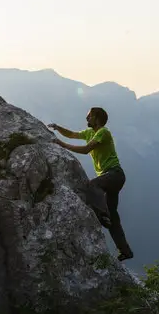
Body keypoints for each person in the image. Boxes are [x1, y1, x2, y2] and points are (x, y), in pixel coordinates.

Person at [48, 107, 134, 262]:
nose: (86, 119)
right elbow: (73, 134)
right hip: (111, 177)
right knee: (114, 217)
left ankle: (102, 214)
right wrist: (58, 128)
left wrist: (61, 144)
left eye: (89, 116)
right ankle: (125, 251)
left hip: (115, 175)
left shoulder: (103, 132)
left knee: (92, 185)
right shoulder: (89, 133)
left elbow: (87, 149)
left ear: (97, 118)